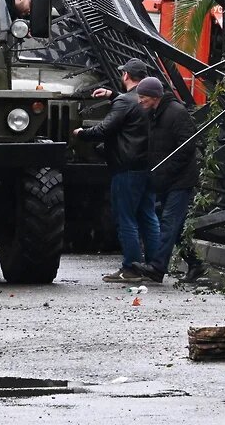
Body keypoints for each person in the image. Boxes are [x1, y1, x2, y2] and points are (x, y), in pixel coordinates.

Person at [73, 58, 159, 283]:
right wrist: (112, 95)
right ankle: (154, 265)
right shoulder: (149, 101)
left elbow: (105, 128)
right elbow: (130, 111)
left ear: (126, 76)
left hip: (126, 167)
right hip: (147, 166)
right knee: (148, 216)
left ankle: (130, 267)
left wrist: (82, 133)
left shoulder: (124, 102)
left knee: (126, 218)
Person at [131, 77, 208, 284]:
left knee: (169, 222)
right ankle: (195, 264)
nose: (140, 101)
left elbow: (187, 147)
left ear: (155, 97)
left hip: (179, 180)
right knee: (177, 227)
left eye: (143, 97)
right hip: (166, 179)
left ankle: (157, 268)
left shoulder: (176, 113)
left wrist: (166, 170)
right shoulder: (155, 113)